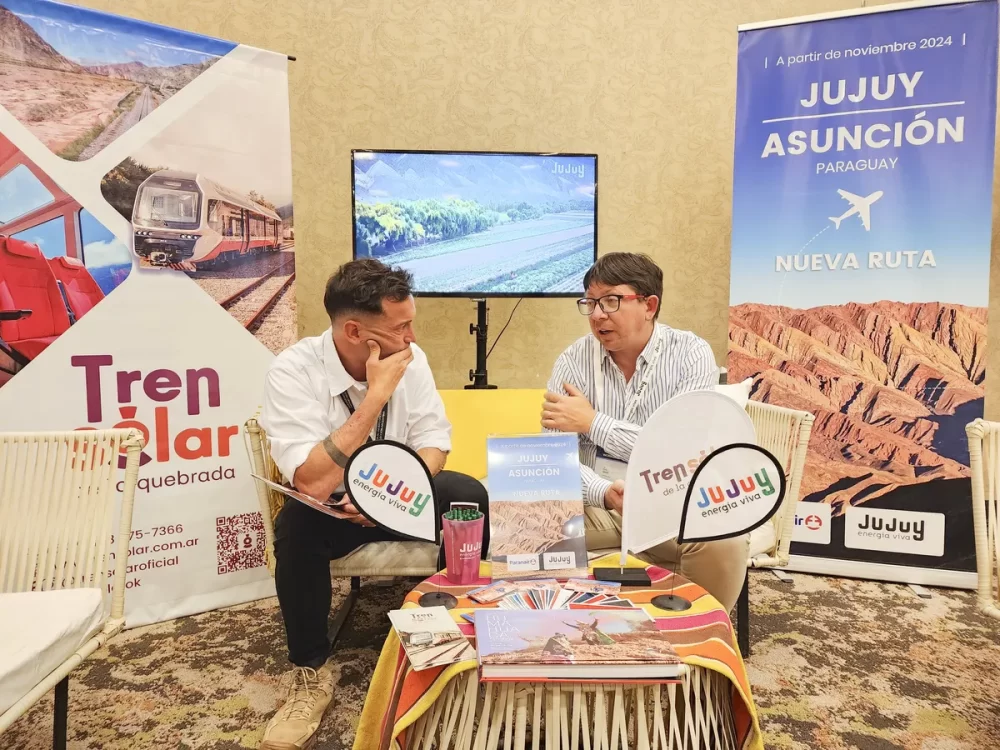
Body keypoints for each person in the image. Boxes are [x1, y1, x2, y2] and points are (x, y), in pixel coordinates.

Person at [258, 258, 489, 750]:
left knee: (467, 497)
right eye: (400, 327)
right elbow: (311, 480)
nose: (411, 337)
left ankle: (457, 640)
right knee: (295, 530)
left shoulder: (412, 357)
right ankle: (309, 672)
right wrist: (374, 398)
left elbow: (433, 437)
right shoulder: (292, 372)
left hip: (402, 497)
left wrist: (401, 488)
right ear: (356, 332)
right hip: (333, 510)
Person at [540, 252, 748, 613]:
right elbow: (552, 458)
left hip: (670, 503)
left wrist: (593, 423)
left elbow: (681, 453)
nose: (598, 314)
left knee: (723, 539)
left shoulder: (690, 355)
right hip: (596, 506)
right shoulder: (573, 361)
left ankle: (699, 638)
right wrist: (604, 492)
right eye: (590, 303)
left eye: (611, 301)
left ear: (649, 305)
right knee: (517, 523)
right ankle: (553, 642)